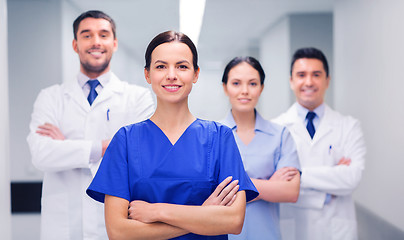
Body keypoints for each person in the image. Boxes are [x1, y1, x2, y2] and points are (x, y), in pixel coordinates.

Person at [86, 31, 259, 240]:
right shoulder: (125, 140)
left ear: (195, 74)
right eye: (161, 66)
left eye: (182, 66)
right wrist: (203, 214)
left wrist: (157, 211)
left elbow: (233, 221)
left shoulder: (220, 138)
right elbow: (118, 232)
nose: (171, 75)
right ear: (147, 74)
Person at [26, 10, 155, 240]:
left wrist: (67, 147)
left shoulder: (138, 98)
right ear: (75, 45)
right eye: (87, 35)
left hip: (115, 225)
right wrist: (106, 147)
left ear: (114, 43)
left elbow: (138, 157)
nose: (96, 42)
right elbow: (41, 155)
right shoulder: (51, 97)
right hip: (63, 227)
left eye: (103, 35)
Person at [272, 47, 366, 240]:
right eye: (301, 75)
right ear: (291, 81)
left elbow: (352, 178)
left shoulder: (348, 126)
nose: (308, 82)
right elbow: (275, 184)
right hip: (292, 228)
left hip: (336, 229)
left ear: (327, 80)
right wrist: (329, 185)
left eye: (316, 74)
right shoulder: (276, 128)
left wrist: (298, 175)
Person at [220, 57, 301, 240]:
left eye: (253, 83)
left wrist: (233, 189)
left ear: (261, 88)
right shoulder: (212, 135)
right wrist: (270, 186)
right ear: (225, 87)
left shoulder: (280, 135)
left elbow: (291, 192)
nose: (245, 91)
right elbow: (207, 194)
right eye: (236, 83)